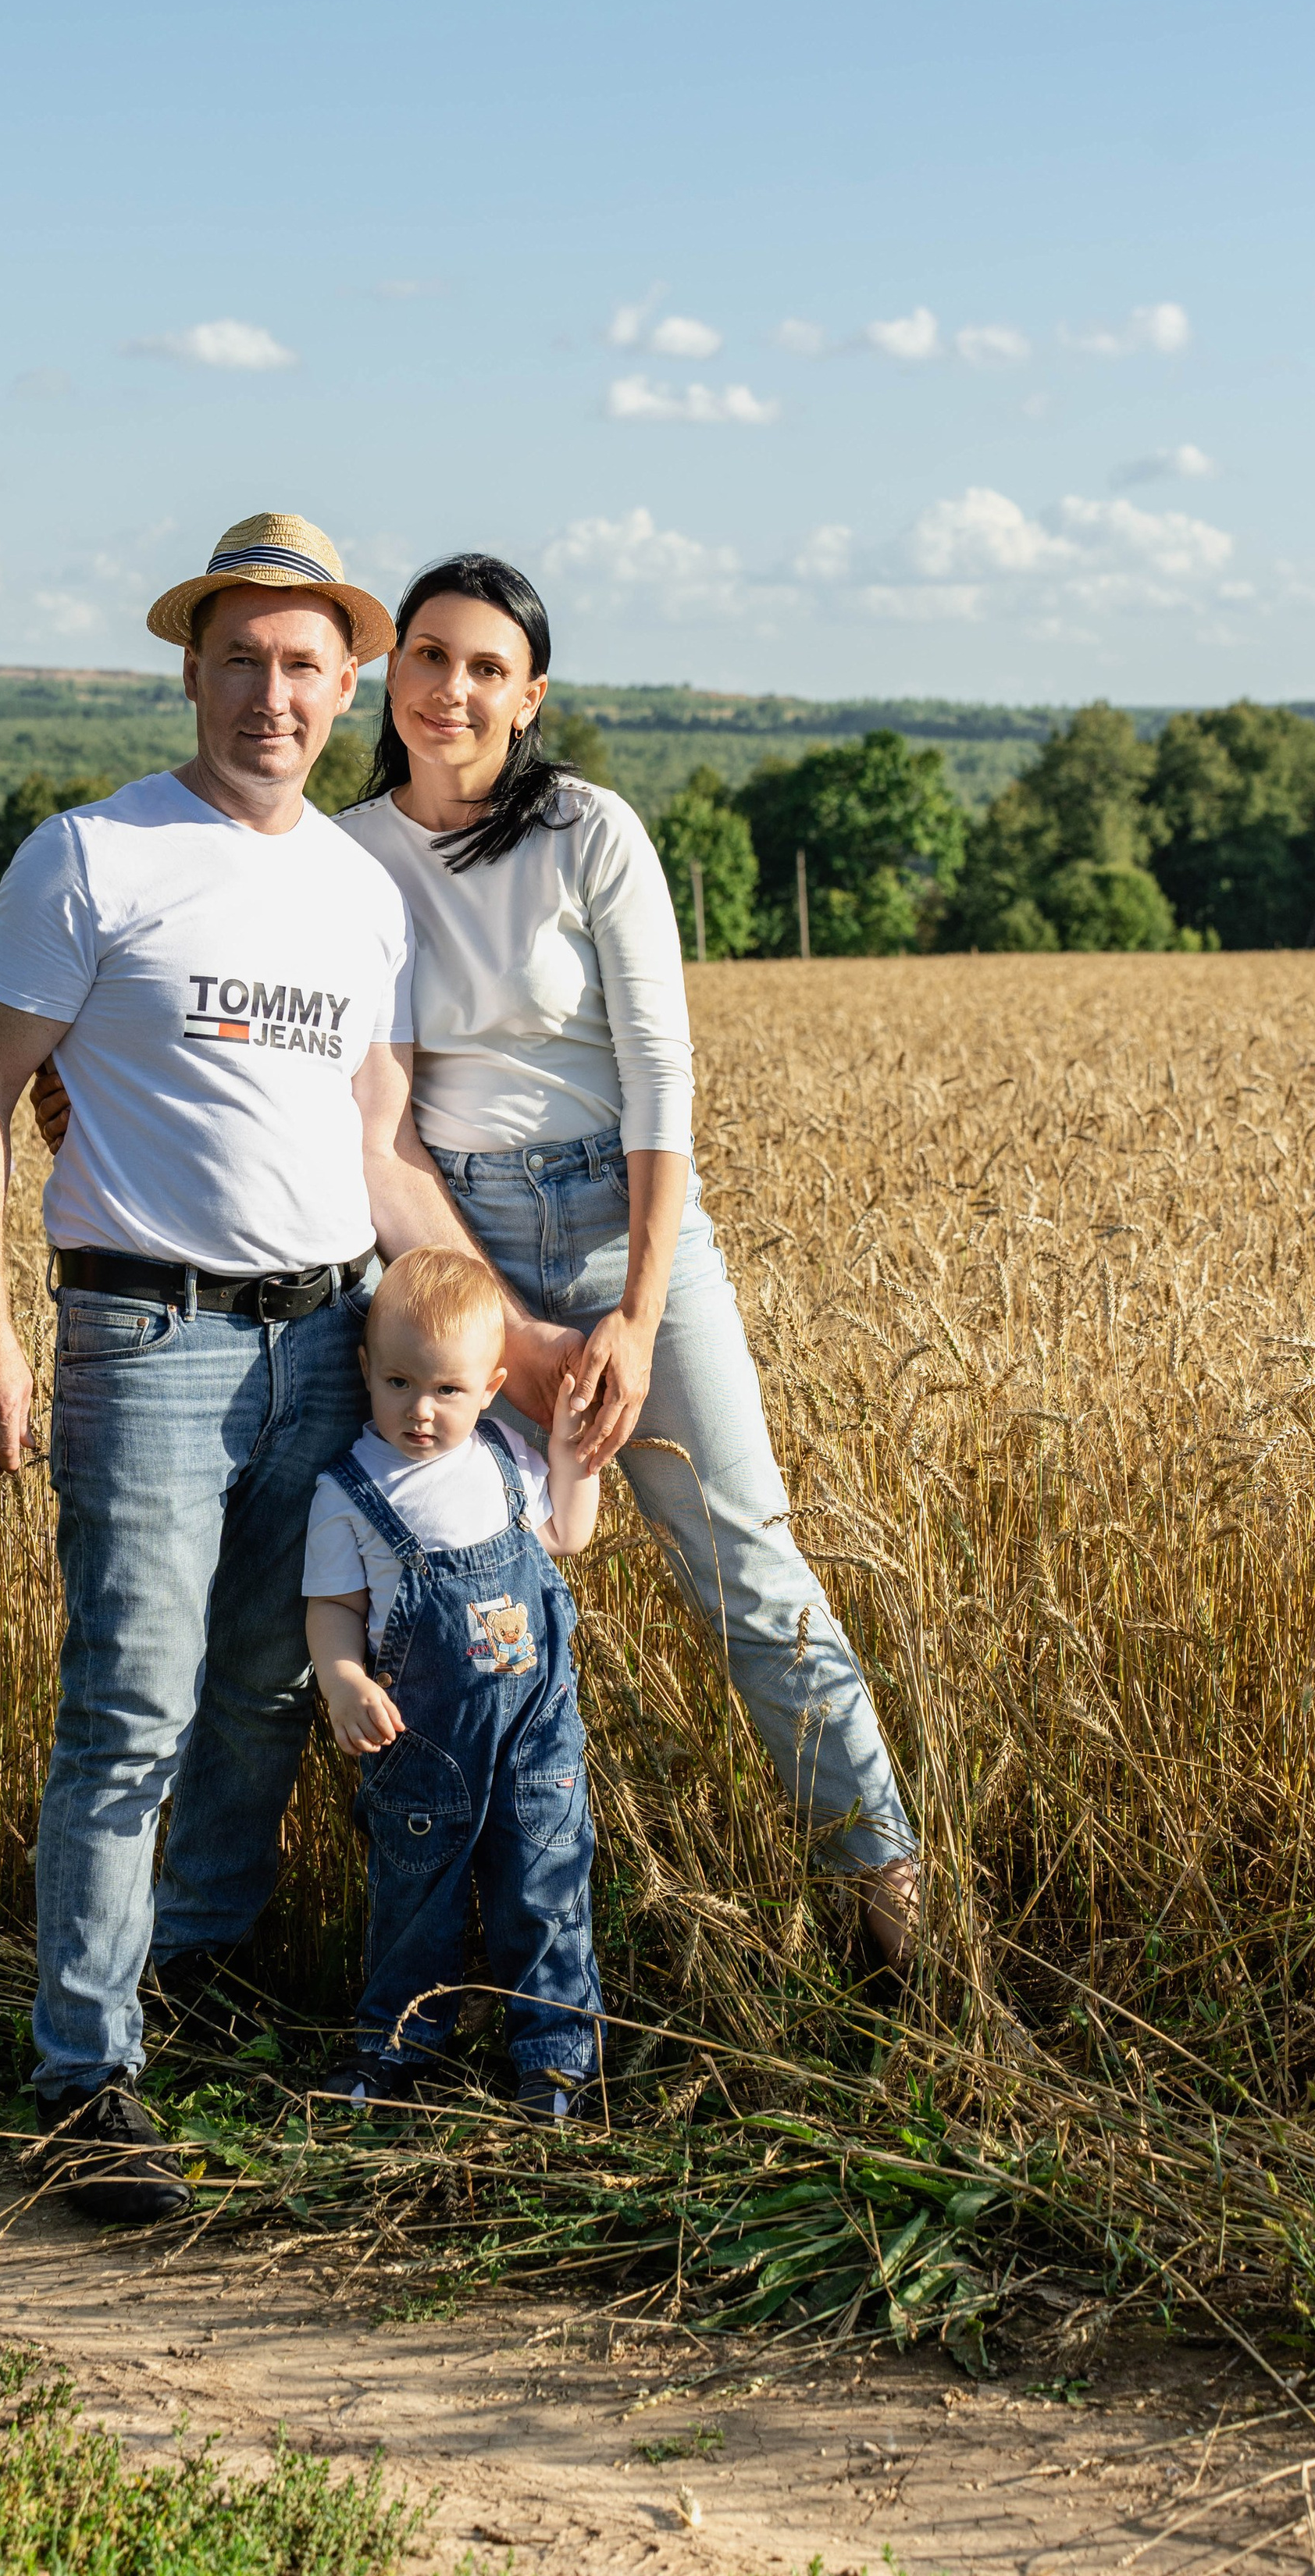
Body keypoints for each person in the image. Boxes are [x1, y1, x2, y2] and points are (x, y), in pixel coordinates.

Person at [0, 514, 575, 2226]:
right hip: (142, 1332)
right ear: (191, 669)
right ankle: (84, 2076)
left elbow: (370, 1131)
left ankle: (191, 1971)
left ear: (343, 682)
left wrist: (499, 1336)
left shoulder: (356, 896)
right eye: (240, 659)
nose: (270, 695)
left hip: (324, 1344)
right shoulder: (93, 857)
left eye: (304, 665)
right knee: (126, 1700)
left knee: (266, 1688)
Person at [332, 555, 921, 1966]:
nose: (452, 688)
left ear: (530, 698)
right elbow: (381, 1121)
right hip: (441, 1234)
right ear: (388, 674)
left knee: (752, 1572)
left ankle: (898, 1921)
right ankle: (451, 1962)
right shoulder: (348, 854)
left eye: (487, 668)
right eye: (429, 656)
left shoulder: (591, 832)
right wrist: (500, 1335)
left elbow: (661, 1077)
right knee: (427, 1581)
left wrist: (638, 1315)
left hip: (621, 1222)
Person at [304, 1246, 604, 2122]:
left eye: (446, 1391)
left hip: (535, 1738)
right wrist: (343, 1679)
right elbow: (333, 1607)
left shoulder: (508, 1462)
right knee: (413, 1901)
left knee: (545, 1891)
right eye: (397, 1383)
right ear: (365, 1370)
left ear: (490, 1386)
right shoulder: (351, 1491)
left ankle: (553, 2063)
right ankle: (394, 2049)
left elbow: (568, 1537)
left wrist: (570, 1448)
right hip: (419, 1747)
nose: (421, 1412)